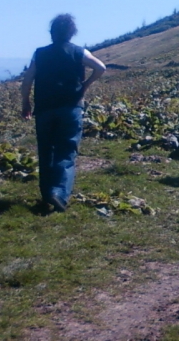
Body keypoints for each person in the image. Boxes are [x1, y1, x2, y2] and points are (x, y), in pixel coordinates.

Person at [21, 14, 106, 212]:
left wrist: (26, 102)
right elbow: (100, 67)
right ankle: (59, 193)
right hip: (70, 107)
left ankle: (47, 193)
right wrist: (85, 85)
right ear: (72, 32)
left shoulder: (40, 53)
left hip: (44, 108)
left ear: (52, 33)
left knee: (46, 151)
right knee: (66, 151)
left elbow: (27, 81)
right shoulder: (78, 52)